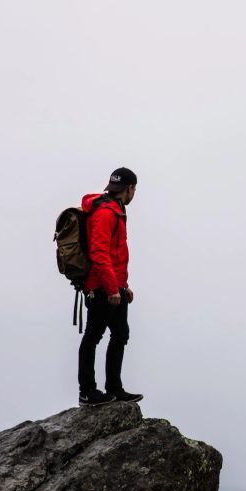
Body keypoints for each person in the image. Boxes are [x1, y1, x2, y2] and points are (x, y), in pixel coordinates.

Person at [77, 167, 144, 406]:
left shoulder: (116, 211)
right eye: (134, 189)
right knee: (93, 336)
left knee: (120, 334)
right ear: (129, 189)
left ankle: (114, 389)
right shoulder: (106, 213)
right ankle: (87, 391)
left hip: (114, 286)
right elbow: (99, 253)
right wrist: (112, 288)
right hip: (101, 287)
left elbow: (116, 255)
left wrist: (123, 286)